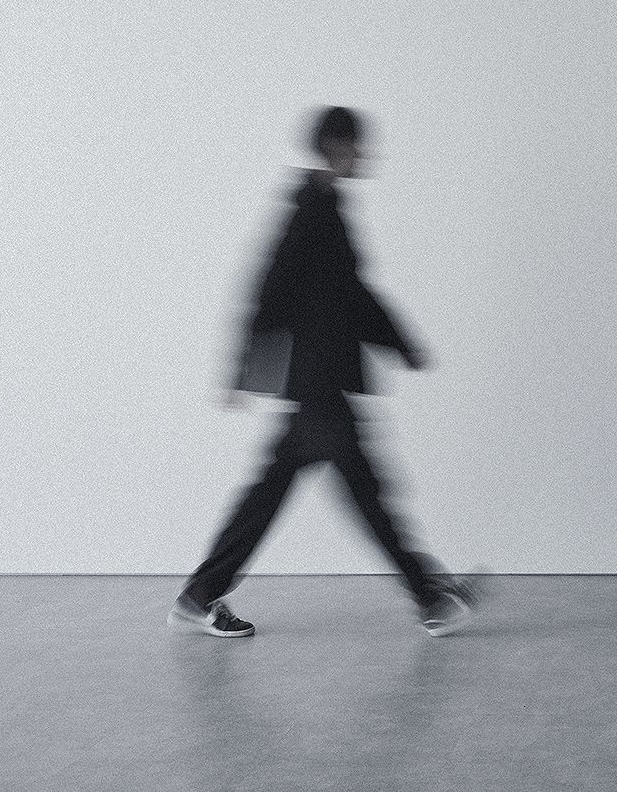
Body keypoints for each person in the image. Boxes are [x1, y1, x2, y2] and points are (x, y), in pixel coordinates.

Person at [171, 106, 479, 639]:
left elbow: (349, 294)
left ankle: (200, 596)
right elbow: (271, 288)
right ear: (337, 147)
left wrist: (399, 343)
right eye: (358, 145)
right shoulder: (312, 209)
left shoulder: (324, 205)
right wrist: (243, 369)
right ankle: (430, 598)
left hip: (319, 381)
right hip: (319, 381)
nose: (366, 154)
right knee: (365, 497)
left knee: (288, 494)